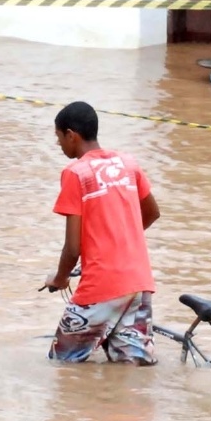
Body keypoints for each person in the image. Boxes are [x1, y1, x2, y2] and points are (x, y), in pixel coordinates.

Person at [41, 101, 160, 365]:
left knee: (61, 366)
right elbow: (152, 213)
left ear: (71, 135)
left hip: (101, 286)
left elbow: (73, 247)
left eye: (59, 138)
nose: (59, 145)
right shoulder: (128, 164)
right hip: (138, 284)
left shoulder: (76, 173)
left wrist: (60, 279)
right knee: (132, 372)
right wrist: (117, 240)